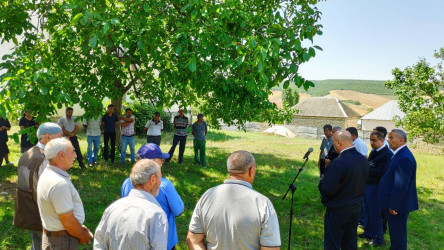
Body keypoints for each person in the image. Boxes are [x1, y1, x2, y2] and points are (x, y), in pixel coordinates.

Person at [187, 151, 281, 250]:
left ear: (229, 169)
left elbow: (193, 240)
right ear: (251, 170)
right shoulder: (263, 204)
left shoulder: (207, 197)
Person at [121, 143, 184, 250]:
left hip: (136, 241)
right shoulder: (165, 186)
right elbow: (179, 211)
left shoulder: (127, 183)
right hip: (164, 242)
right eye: (160, 159)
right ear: (151, 163)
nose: (163, 162)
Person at [94, 159, 168, 250]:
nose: (160, 182)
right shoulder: (156, 215)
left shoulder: (112, 209)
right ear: (152, 179)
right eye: (160, 178)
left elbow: (98, 245)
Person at [37, 138, 93, 249]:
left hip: (56, 238)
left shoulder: (48, 173)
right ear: (61, 155)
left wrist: (78, 227)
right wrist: (83, 235)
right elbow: (68, 222)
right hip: (62, 241)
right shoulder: (59, 184)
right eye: (73, 151)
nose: (75, 156)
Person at [14, 123, 63, 250]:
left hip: (28, 208)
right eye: (60, 136)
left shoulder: (26, 154)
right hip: (42, 212)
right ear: (48, 137)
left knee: (37, 241)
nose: (63, 140)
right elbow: (47, 191)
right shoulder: (45, 158)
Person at [318, 130, 369, 250]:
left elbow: (327, 188)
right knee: (350, 242)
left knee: (333, 243)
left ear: (339, 143)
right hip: (355, 208)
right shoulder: (363, 161)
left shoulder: (338, 163)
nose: (333, 147)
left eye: (334, 144)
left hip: (338, 209)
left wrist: (323, 180)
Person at [378, 129, 418, 250]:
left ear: (401, 140)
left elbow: (401, 184)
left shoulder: (404, 157)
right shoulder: (398, 153)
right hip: (393, 203)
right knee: (395, 234)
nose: (387, 140)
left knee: (397, 235)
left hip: (397, 207)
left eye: (391, 138)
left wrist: (394, 205)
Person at [359, 131, 393, 246]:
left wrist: (366, 167)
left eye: (374, 140)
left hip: (376, 187)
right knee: (367, 211)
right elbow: (370, 165)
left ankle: (378, 238)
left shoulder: (387, 154)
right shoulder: (374, 151)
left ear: (382, 140)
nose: (371, 143)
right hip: (368, 185)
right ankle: (368, 232)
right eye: (370, 140)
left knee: (375, 213)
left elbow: (380, 172)